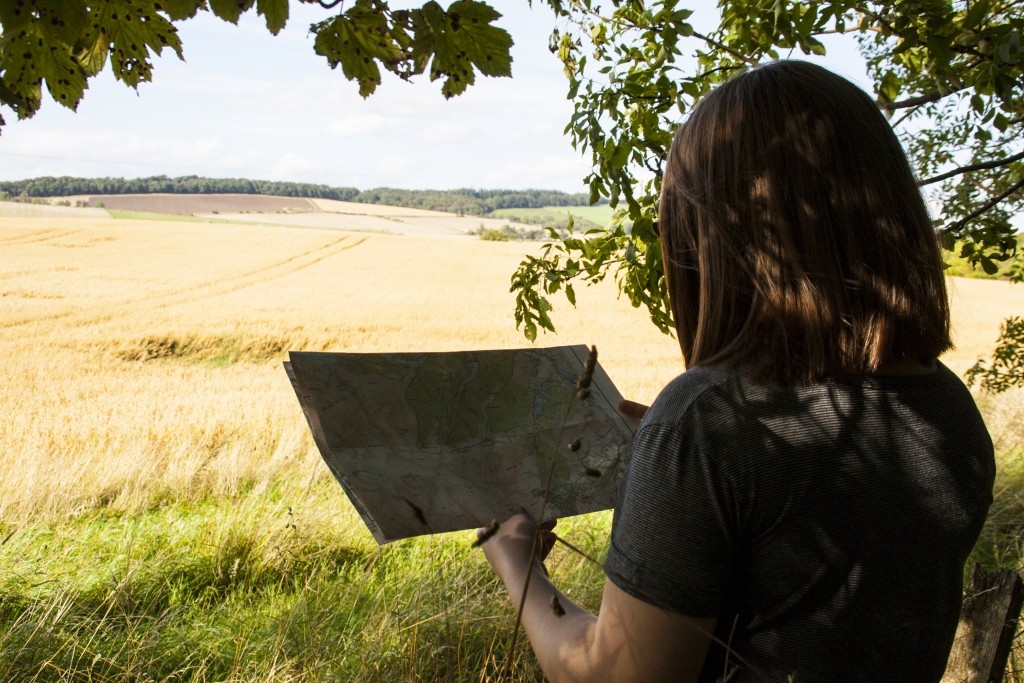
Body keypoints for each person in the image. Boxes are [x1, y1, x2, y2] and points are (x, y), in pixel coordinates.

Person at [477, 60, 995, 683]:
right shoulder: (948, 408)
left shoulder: (708, 420)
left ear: (711, 235)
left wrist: (519, 566)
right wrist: (679, 477)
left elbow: (614, 676)